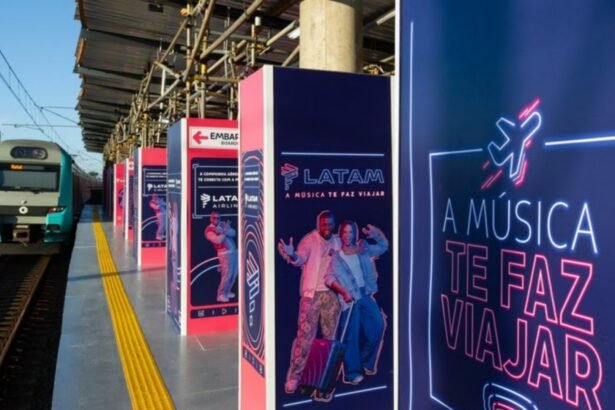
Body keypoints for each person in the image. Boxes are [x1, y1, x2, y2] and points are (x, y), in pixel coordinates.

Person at [278, 210, 342, 394]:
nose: (327, 227)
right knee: (304, 339)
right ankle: (295, 376)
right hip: (311, 296)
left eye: (330, 224)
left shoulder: (338, 241)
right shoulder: (310, 240)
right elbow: (300, 259)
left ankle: (324, 380)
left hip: (331, 294)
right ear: (318, 224)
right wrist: (292, 255)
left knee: (330, 340)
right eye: (324, 224)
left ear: (334, 225)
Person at [325, 221, 388, 385]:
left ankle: (365, 362)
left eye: (351, 232)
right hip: (350, 298)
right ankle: (351, 373)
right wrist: (343, 292)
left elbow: (383, 246)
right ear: (341, 234)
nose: (348, 235)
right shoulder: (337, 257)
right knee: (350, 335)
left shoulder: (363, 249)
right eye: (345, 232)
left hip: (365, 294)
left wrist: (375, 233)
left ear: (355, 234)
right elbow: (328, 278)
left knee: (378, 325)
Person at [205, 211, 238, 303]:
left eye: (218, 218)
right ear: (210, 218)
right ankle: (220, 295)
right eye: (214, 218)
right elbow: (218, 240)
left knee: (234, 274)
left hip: (233, 252)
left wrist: (224, 230)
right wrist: (225, 232)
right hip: (224, 253)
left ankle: (227, 292)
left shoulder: (222, 225)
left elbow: (233, 233)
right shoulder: (209, 230)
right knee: (227, 274)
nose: (216, 219)